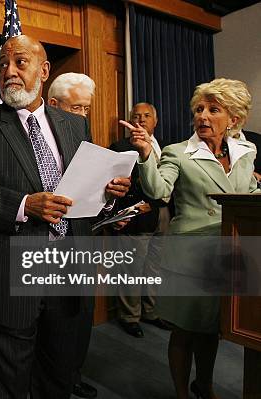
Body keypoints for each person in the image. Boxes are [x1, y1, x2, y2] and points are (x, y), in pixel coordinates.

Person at [0, 35, 131, 399]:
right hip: (12, 273)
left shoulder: (74, 125)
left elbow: (85, 192)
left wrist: (109, 196)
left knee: (60, 375)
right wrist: (23, 205)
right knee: (9, 383)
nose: (9, 72)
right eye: (3, 64)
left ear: (44, 70)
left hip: (70, 268)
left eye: (20, 62)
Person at [122, 78, 258, 399]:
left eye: (214, 110)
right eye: (199, 109)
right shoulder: (178, 152)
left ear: (234, 119)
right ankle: (182, 393)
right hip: (189, 258)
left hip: (229, 255)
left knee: (211, 330)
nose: (203, 116)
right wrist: (144, 155)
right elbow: (158, 191)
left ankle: (205, 385)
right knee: (184, 332)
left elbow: (249, 194)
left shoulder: (246, 152)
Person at [46, 72, 97, 399]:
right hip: (43, 244)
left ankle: (72, 374)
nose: (82, 116)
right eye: (77, 108)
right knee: (50, 324)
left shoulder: (83, 137)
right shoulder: (33, 138)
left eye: (86, 110)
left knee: (80, 316)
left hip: (80, 239)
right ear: (54, 104)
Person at [109, 102, 172, 338]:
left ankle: (151, 312)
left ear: (155, 121)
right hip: (138, 214)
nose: (142, 119)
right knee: (132, 268)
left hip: (164, 213)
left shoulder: (167, 147)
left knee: (155, 266)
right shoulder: (121, 147)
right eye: (137, 116)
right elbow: (115, 185)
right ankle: (129, 316)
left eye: (147, 116)